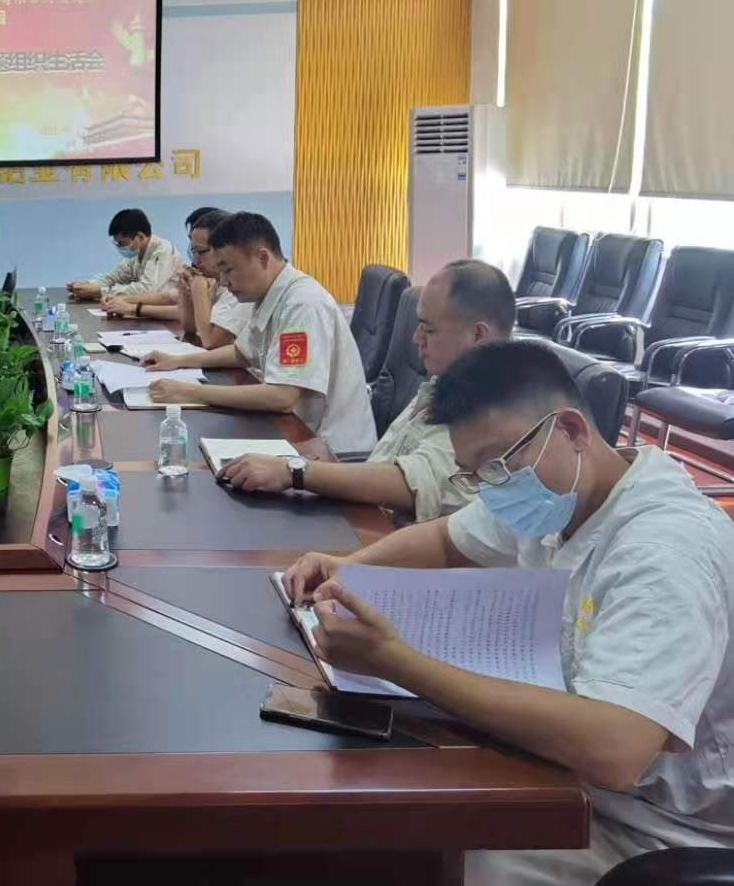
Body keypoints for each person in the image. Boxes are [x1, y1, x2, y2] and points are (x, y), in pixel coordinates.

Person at [283, 340, 734, 885]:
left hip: (656, 827)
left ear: (571, 430)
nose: (491, 486)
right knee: (379, 801)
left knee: (418, 849)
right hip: (567, 771)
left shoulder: (663, 552)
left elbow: (616, 748)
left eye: (498, 464)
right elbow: (448, 540)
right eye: (475, 472)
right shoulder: (556, 488)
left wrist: (395, 662)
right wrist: (347, 566)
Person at [220, 259, 514, 523]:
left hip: (396, 540)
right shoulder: (450, 377)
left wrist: (294, 471)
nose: (416, 338)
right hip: (369, 513)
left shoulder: (490, 404)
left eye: (428, 329)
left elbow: (411, 484)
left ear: (477, 334)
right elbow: (387, 461)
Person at [141, 211, 376, 454]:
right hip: (298, 430)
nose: (223, 282)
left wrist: (189, 392)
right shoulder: (269, 293)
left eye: (228, 270)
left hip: (331, 450)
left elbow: (282, 396)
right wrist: (178, 360)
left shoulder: (302, 304)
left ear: (262, 258)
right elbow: (241, 352)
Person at [103, 207, 253, 348]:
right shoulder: (215, 280)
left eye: (200, 250)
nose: (195, 258)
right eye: (193, 249)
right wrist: (184, 290)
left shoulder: (236, 285)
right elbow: (190, 327)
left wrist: (198, 290)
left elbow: (211, 342)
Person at [66, 208, 181, 301]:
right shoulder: (136, 253)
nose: (121, 248)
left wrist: (100, 292)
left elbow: (146, 289)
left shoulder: (163, 250)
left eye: (122, 243)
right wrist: (87, 286)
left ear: (140, 237)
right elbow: (114, 278)